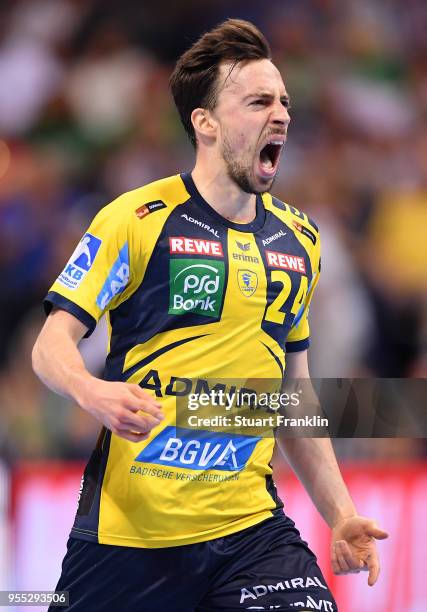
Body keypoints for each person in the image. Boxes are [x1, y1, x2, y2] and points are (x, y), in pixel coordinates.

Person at [32, 19, 388, 612]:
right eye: (258, 101)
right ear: (206, 124)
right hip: (131, 537)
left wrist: (341, 513)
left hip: (252, 532)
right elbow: (50, 346)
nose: (281, 114)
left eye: (284, 101)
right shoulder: (137, 219)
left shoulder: (301, 239)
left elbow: (291, 396)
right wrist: (91, 392)